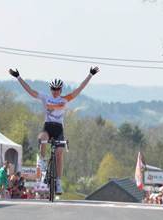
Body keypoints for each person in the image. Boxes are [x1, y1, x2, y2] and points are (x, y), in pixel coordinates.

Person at [9, 66, 99, 194]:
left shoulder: (64, 99)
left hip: (58, 128)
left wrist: (90, 75)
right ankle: (42, 162)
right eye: (53, 89)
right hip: (48, 126)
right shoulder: (45, 97)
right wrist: (18, 77)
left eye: (57, 89)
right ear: (50, 89)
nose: (55, 91)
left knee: (59, 153)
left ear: (61, 89)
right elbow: (30, 91)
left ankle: (58, 181)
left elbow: (79, 89)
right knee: (42, 138)